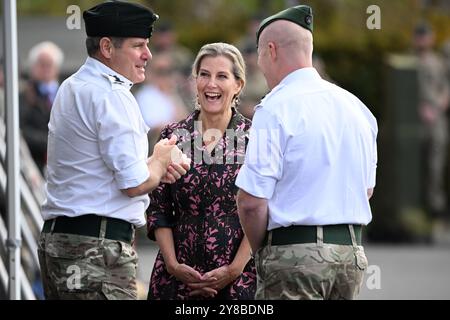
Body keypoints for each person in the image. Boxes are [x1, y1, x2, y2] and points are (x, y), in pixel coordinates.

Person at [37, 1, 190, 300]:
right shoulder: (112, 94)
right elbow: (133, 183)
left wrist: (153, 166)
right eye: (138, 45)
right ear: (107, 47)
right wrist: (159, 161)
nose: (147, 54)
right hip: (95, 250)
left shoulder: (72, 85)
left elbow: (99, 170)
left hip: (64, 242)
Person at [236, 5, 378, 300]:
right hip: (350, 255)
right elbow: (366, 190)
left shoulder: (274, 107)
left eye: (260, 55)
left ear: (271, 51)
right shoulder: (358, 108)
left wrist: (264, 251)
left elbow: (251, 202)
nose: (260, 65)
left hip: (293, 256)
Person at [147, 42, 256, 300]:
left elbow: (264, 208)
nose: (211, 84)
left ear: (238, 84)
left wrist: (233, 269)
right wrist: (173, 266)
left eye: (222, 76)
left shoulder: (255, 138)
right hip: (175, 280)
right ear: (194, 81)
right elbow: (158, 208)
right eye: (204, 75)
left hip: (238, 281)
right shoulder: (173, 136)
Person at [414, 23, 449, 219]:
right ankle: (418, 211)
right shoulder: (408, 61)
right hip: (415, 122)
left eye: (425, 35)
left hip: (436, 121)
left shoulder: (438, 63)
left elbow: (445, 88)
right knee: (415, 167)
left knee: (435, 166)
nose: (422, 40)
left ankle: (435, 210)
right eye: (419, 36)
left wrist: (437, 108)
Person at [20, 41, 64, 174]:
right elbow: (20, 130)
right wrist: (49, 142)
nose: (45, 69)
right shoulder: (24, 95)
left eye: (49, 64)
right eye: (41, 64)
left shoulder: (67, 93)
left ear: (57, 68)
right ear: (33, 67)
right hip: (35, 165)